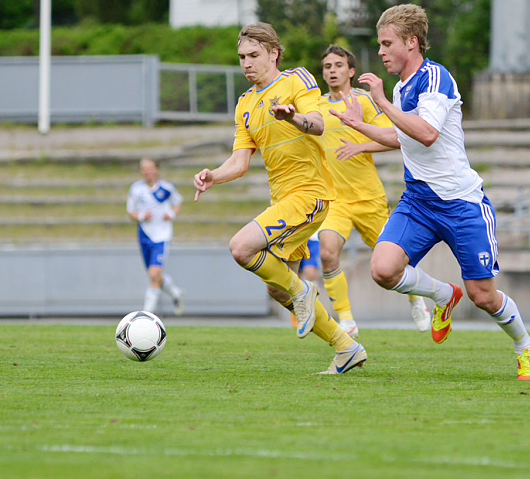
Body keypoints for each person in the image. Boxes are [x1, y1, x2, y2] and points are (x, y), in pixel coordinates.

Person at [331, 4, 530, 380]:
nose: (380, 52)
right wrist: (360, 126)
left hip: (461, 203)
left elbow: (426, 133)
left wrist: (379, 103)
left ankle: (524, 345)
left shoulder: (435, 78)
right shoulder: (401, 87)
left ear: (411, 42)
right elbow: (401, 136)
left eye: (386, 43)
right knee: (383, 269)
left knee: (483, 296)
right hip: (419, 201)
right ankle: (444, 295)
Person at [193, 22, 367, 375]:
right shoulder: (245, 104)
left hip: (311, 194)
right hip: (284, 201)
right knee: (278, 291)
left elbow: (318, 123)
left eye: (254, 55)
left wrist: (295, 118)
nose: (246, 63)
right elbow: (240, 161)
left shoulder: (296, 80)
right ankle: (345, 347)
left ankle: (304, 292)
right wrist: (214, 175)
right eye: (242, 57)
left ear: (273, 53)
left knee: (241, 248)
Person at [315, 44, 431, 338]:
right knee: (328, 254)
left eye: (338, 65)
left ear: (351, 71)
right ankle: (346, 319)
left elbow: (395, 138)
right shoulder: (315, 107)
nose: (332, 71)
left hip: (368, 197)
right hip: (335, 199)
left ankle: (416, 299)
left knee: (394, 260)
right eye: (327, 66)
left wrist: (361, 145)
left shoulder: (364, 102)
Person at [126, 158, 185, 315]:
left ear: (156, 169)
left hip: (162, 236)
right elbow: (131, 212)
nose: (147, 171)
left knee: (153, 274)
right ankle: (176, 293)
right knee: (155, 276)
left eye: (149, 168)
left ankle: (146, 315)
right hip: (144, 235)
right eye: (143, 168)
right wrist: (141, 216)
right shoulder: (136, 189)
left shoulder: (166, 188)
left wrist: (171, 213)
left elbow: (177, 203)